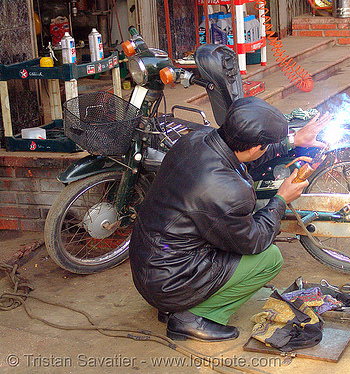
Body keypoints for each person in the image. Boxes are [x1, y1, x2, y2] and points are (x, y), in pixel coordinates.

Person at [129, 96, 331, 342]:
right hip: (170, 280)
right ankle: (189, 318)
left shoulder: (197, 138)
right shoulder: (228, 190)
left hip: (149, 264)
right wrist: (280, 200)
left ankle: (175, 306)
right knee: (270, 259)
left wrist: (292, 141)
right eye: (265, 146)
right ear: (256, 147)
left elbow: (247, 157)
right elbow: (254, 242)